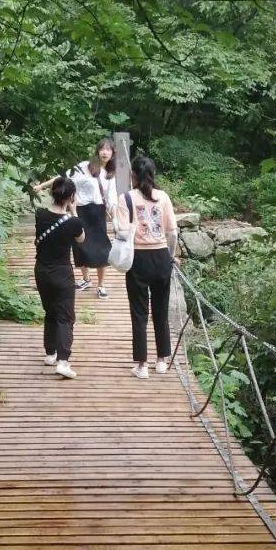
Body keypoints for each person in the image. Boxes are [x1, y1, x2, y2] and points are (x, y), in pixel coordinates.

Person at [114, 154, 178, 380]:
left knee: (139, 313)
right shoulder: (164, 197)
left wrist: (132, 228)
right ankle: (162, 360)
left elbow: (121, 232)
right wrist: (171, 256)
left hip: (138, 259)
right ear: (152, 174)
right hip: (161, 257)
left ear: (133, 174)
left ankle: (142, 365)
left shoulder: (126, 199)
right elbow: (172, 232)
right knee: (161, 311)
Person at [34, 139, 116, 297]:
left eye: (108, 149)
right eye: (102, 149)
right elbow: (62, 178)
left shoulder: (111, 174)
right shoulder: (84, 166)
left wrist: (115, 212)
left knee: (101, 248)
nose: (105, 152)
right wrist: (42, 186)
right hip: (80, 209)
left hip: (98, 211)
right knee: (80, 246)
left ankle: (101, 285)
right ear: (97, 151)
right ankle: (86, 278)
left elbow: (111, 197)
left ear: (112, 153)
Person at [34, 175, 85, 380]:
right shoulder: (74, 222)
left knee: (50, 311)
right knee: (65, 315)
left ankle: (50, 352)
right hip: (62, 272)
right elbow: (82, 239)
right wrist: (73, 211)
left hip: (41, 271)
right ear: (71, 197)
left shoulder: (40, 215)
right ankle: (63, 361)